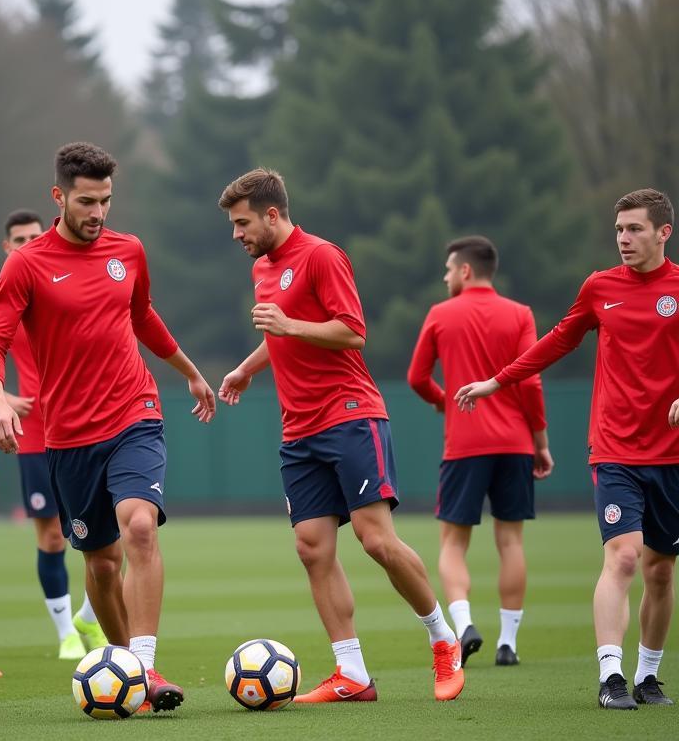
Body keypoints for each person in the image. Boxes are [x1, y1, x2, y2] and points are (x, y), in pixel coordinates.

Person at [0, 142, 216, 712]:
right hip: (68, 437)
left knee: (139, 527)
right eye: (87, 201)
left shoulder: (129, 250)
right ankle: (128, 666)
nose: (98, 213)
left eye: (106, 200)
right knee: (101, 563)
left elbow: (142, 316)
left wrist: (188, 372)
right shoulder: (26, 263)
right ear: (58, 197)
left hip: (135, 412)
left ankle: (147, 665)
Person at [217, 169, 465, 703]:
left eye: (242, 223)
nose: (237, 234)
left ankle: (444, 641)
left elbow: (352, 330)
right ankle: (351, 673)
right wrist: (247, 368)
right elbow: (283, 332)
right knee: (311, 548)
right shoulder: (262, 267)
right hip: (298, 426)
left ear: (272, 215)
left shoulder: (322, 256)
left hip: (350, 414)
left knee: (375, 538)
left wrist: (288, 327)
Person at [456, 188, 678, 710]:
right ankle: (611, 677)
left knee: (661, 570)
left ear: (664, 232)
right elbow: (557, 339)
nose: (623, 238)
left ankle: (648, 676)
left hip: (671, 455)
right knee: (623, 557)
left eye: (635, 229)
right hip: (615, 448)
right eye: (619, 229)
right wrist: (498, 381)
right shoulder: (600, 287)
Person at [407, 236, 554, 666]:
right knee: (511, 542)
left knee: (453, 544)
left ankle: (464, 624)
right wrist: (540, 442)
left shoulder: (440, 314)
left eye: (449, 269)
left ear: (466, 271)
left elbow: (417, 377)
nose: (446, 276)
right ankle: (508, 643)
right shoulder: (520, 314)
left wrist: (442, 400)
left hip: (464, 445)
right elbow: (531, 381)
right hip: (515, 445)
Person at [0, 210, 106, 660]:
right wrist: (4, 397)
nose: (28, 244)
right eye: (18, 239)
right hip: (35, 436)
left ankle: (91, 616)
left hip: (86, 423)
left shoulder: (69, 281)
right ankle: (66, 631)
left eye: (35, 236)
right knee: (51, 536)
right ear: (6, 246)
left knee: (112, 532)